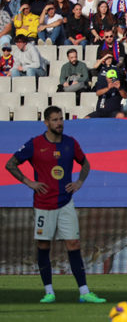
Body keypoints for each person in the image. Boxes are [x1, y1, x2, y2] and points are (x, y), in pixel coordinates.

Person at [5, 106, 105, 304]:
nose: (59, 123)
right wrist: (29, 182)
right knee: (43, 246)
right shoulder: (35, 144)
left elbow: (85, 164)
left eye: (61, 119)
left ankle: (84, 292)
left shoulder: (70, 143)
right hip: (43, 204)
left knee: (74, 245)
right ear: (46, 123)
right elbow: (10, 164)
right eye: (55, 120)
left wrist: (79, 182)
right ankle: (49, 292)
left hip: (66, 202)